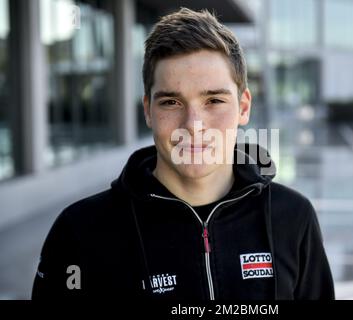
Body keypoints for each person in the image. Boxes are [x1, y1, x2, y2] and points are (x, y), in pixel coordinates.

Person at [32, 8, 334, 300]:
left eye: (214, 100)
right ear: (148, 111)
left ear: (243, 107)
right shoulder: (81, 232)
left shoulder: (293, 218)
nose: (193, 126)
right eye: (171, 103)